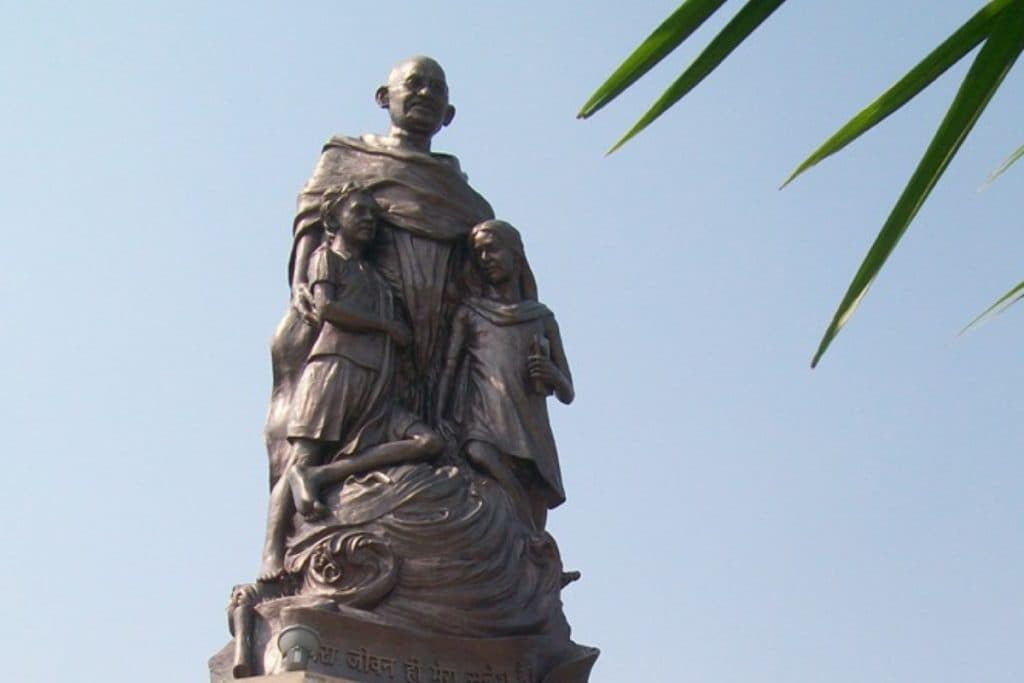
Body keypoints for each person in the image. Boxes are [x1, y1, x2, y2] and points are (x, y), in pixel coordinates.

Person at [265, 56, 494, 489]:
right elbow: (313, 225)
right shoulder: (348, 158)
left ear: (448, 114)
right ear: (384, 97)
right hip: (366, 318)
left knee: (430, 424)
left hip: (438, 325)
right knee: (344, 419)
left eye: (436, 89)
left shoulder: (463, 195)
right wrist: (300, 286)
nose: (425, 94)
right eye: (415, 83)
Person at [260, 183, 442, 581]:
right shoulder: (327, 258)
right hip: (334, 369)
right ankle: (272, 552)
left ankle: (324, 477)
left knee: (427, 442)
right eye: (359, 212)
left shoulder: (375, 277)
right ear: (333, 219)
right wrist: (386, 327)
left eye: (373, 215)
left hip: (374, 380)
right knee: (301, 457)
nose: (368, 220)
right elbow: (326, 307)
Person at [435, 220, 574, 530]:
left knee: (533, 497)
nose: (486, 259)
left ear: (515, 254)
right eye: (479, 254)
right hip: (484, 420)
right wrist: (440, 414)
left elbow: (568, 392)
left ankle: (531, 538)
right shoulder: (471, 312)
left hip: (528, 424)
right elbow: (449, 369)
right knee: (478, 453)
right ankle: (527, 533)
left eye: (492, 250)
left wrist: (551, 373)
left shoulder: (540, 318)